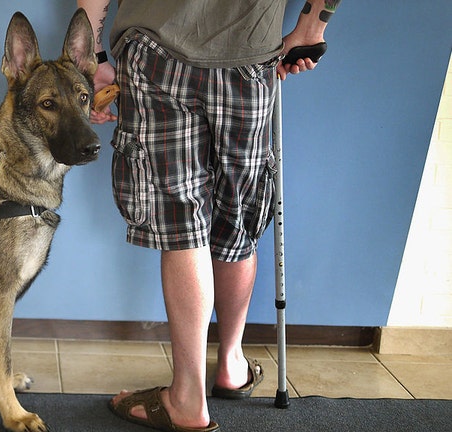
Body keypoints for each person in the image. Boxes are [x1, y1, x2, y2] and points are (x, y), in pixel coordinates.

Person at [76, 1, 340, 431]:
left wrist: (92, 57)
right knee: (235, 220)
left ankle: (187, 398)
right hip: (251, 57)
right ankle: (232, 365)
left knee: (182, 223)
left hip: (156, 52)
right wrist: (312, 25)